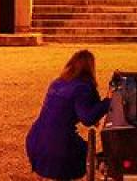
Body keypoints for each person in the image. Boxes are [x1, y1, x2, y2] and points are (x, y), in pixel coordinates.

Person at [25, 49, 111, 181]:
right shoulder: (83, 87)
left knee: (83, 149)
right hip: (57, 146)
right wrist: (108, 101)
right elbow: (87, 118)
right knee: (86, 154)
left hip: (36, 140)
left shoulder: (57, 82)